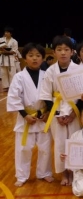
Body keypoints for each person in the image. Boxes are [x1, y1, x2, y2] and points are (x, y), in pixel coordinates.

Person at [7, 43, 53, 187]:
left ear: (42, 58)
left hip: (43, 117)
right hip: (25, 118)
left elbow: (53, 96)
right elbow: (14, 97)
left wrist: (47, 113)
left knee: (45, 148)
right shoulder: (19, 77)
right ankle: (21, 175)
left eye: (38, 56)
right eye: (31, 55)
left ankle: (44, 173)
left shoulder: (47, 75)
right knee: (23, 148)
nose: (34, 59)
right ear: (25, 58)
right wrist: (25, 115)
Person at [39, 35, 81, 186]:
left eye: (66, 49)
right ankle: (64, 174)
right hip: (56, 110)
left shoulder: (79, 69)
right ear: (54, 52)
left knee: (75, 142)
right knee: (60, 144)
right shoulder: (50, 71)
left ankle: (75, 172)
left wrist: (73, 114)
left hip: (74, 109)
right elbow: (46, 95)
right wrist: (56, 114)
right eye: (59, 49)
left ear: (72, 52)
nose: (63, 53)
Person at [0, 26, 18, 91]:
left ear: (11, 33)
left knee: (12, 73)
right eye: (5, 32)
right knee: (3, 73)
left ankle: (12, 86)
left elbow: (14, 51)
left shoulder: (14, 41)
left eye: (7, 32)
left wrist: (6, 51)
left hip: (10, 59)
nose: (6, 33)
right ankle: (5, 87)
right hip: (2, 59)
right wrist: (2, 51)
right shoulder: (1, 39)